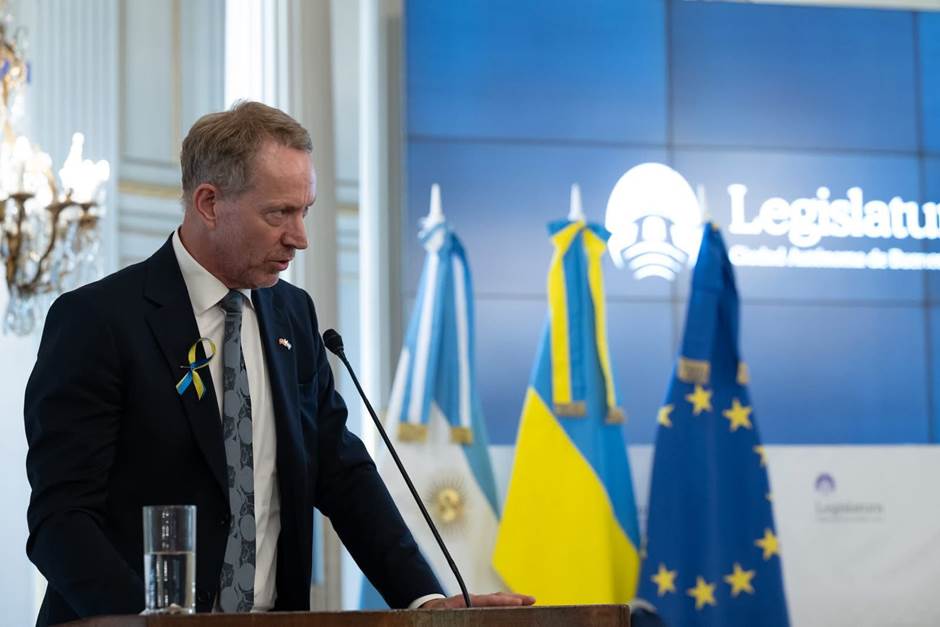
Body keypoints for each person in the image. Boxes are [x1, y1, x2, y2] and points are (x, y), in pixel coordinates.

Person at [24, 101, 533, 626]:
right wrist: (146, 623)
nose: (299, 237)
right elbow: (60, 518)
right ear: (209, 203)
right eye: (279, 213)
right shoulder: (98, 322)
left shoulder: (293, 315)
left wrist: (426, 601)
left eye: (304, 210)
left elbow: (341, 472)